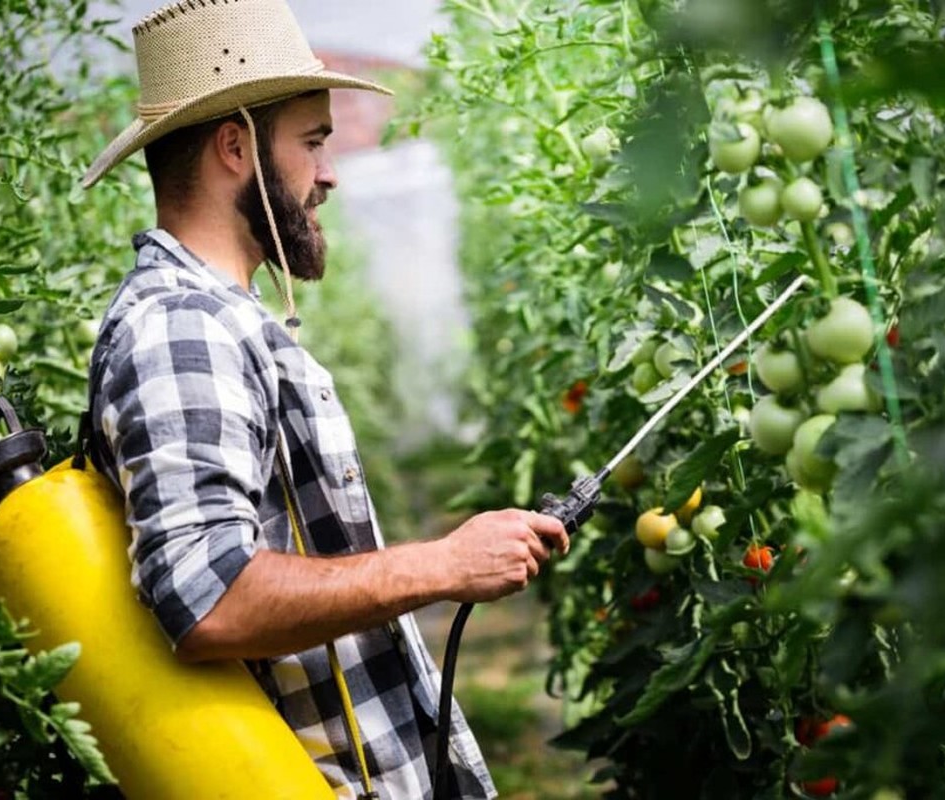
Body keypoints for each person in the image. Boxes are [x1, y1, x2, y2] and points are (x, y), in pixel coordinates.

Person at [80, 1, 569, 798]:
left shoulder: (222, 320)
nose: (330, 172)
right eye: (312, 142)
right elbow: (207, 595)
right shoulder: (181, 327)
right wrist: (442, 563)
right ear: (233, 146)